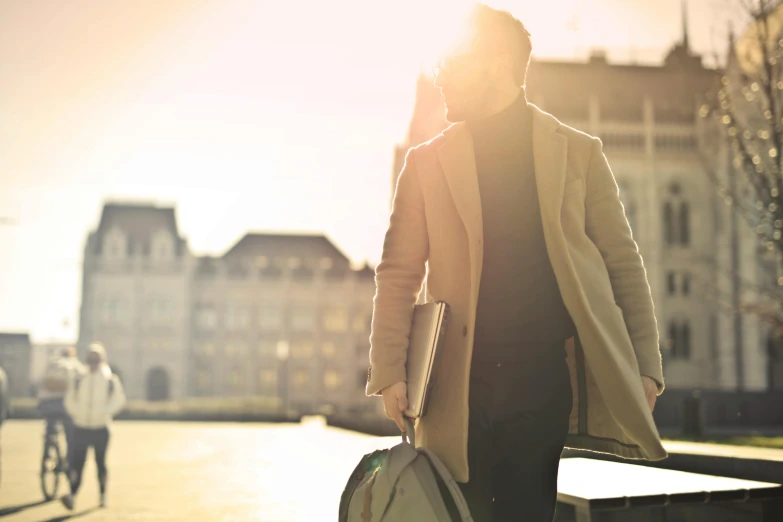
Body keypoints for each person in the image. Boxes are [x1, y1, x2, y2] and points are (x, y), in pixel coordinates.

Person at [365, 4, 666, 521]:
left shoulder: (580, 153)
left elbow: (623, 264)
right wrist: (391, 369)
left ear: (498, 61)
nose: (441, 76)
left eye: (452, 61)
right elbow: (397, 273)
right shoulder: (425, 162)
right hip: (456, 390)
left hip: (540, 385)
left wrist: (646, 367)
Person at [61, 343, 126, 510]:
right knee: (77, 463)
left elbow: (118, 401)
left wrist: (104, 413)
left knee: (100, 463)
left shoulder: (111, 380)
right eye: (90, 359)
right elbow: (70, 400)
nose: (93, 362)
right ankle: (73, 495)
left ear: (102, 360)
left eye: (96, 359)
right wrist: (77, 414)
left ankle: (102, 495)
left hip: (101, 428)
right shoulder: (78, 378)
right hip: (81, 427)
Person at [37, 346, 83, 462]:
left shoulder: (52, 363)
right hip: (65, 404)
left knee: (50, 424)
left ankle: (49, 442)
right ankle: (69, 461)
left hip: (46, 404)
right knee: (70, 432)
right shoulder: (76, 365)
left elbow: (42, 383)